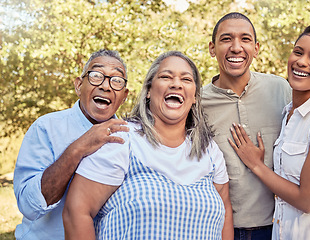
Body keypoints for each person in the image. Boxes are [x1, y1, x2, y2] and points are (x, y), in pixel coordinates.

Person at [201, 12, 310, 240]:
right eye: (226, 39)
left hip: (276, 228)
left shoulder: (282, 91)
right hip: (219, 227)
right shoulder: (196, 104)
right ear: (212, 48)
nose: (236, 47)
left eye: (245, 39)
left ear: (256, 48)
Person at [63, 51, 234, 240]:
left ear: (194, 97)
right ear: (149, 91)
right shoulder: (122, 141)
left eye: (186, 79)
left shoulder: (209, 150)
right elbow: (76, 212)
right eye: (166, 77)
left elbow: (225, 210)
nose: (176, 84)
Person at [13, 49, 130, 240]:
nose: (106, 86)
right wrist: (79, 147)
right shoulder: (46, 127)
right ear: (78, 85)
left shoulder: (130, 137)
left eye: (116, 80)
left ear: (124, 96)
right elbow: (28, 206)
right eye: (96, 76)